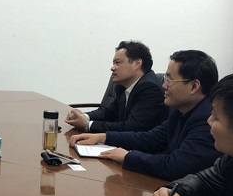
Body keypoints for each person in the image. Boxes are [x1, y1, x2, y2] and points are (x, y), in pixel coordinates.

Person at [69, 50, 221, 180]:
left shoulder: (208, 119)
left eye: (169, 79)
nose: (164, 85)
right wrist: (103, 137)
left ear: (194, 86)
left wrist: (128, 157)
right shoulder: (179, 110)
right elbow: (150, 138)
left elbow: (176, 166)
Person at [65, 41, 168, 133]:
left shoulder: (150, 88)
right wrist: (84, 116)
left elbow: (132, 127)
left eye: (117, 63)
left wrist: (88, 125)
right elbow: (109, 112)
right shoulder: (123, 85)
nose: (112, 68)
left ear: (137, 64)